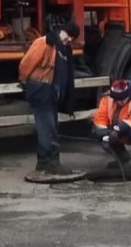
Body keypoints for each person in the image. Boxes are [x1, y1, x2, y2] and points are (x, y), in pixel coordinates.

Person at [18, 20, 80, 175]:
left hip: (50, 90)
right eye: (69, 35)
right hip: (41, 88)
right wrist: (27, 83)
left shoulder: (62, 49)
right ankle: (50, 161)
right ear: (62, 31)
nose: (70, 40)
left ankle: (45, 161)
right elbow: (25, 65)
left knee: (50, 124)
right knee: (47, 126)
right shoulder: (44, 43)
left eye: (73, 37)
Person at [92, 78, 131, 171]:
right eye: (116, 100)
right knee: (98, 133)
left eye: (122, 100)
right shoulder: (107, 98)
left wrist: (119, 130)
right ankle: (122, 157)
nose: (119, 102)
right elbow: (101, 118)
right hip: (115, 128)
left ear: (129, 95)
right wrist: (104, 133)